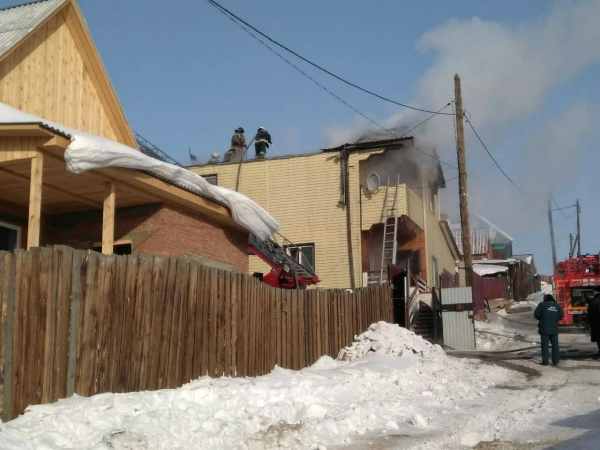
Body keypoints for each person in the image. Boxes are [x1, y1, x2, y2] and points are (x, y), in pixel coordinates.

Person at [534, 294, 564, 366]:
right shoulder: (558, 306)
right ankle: (555, 361)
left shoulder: (542, 305)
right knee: (555, 345)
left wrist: (542, 318)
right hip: (554, 328)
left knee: (545, 345)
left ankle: (545, 361)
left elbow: (536, 314)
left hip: (544, 328)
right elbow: (561, 316)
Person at [587, 293, 600, 359]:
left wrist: (590, 323)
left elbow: (590, 314)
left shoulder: (594, 301)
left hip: (597, 325)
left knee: (599, 340)